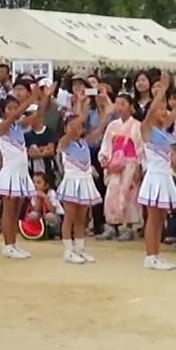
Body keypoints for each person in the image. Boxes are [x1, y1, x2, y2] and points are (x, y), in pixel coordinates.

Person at [0, 83, 47, 260]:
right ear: (2, 111)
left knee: (16, 210)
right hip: (10, 173)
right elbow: (16, 116)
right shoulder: (1, 127)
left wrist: (43, 97)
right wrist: (30, 99)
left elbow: (38, 115)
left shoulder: (19, 126)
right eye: (9, 108)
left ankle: (13, 244)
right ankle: (7, 245)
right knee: (8, 210)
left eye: (15, 108)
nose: (14, 111)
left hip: (21, 173)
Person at [136, 73, 176, 271]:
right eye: (160, 109)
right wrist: (163, 88)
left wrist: (174, 87)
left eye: (165, 108)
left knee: (161, 218)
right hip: (154, 178)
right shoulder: (147, 129)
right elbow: (152, 109)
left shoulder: (164, 131)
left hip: (165, 176)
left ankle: (156, 254)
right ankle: (149, 256)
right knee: (153, 219)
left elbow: (175, 110)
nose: (163, 111)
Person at [57, 95, 106, 265]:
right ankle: (68, 250)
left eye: (80, 127)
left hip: (85, 182)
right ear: (66, 129)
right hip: (72, 182)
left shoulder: (85, 142)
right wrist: (81, 108)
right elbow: (71, 130)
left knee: (82, 218)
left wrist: (102, 108)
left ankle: (80, 248)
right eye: (73, 127)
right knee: (69, 216)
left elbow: (100, 128)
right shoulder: (64, 143)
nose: (77, 129)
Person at [96, 94, 143, 240]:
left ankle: (128, 227)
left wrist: (138, 167)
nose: (119, 107)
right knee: (112, 194)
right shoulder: (112, 125)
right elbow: (106, 145)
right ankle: (111, 226)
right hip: (114, 164)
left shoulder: (137, 126)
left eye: (123, 103)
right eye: (117, 104)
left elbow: (140, 148)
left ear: (131, 107)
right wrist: (106, 160)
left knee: (129, 195)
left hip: (130, 164)